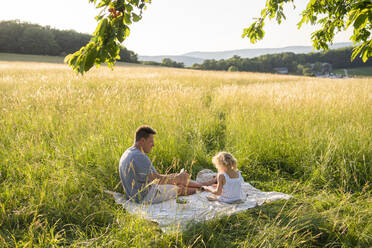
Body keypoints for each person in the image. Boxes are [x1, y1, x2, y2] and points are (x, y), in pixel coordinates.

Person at [119, 125, 214, 204]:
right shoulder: (140, 156)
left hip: (134, 193)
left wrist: (177, 177)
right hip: (144, 197)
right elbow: (158, 180)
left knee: (176, 179)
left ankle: (203, 184)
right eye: (151, 141)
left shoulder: (129, 152)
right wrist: (178, 178)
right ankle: (204, 189)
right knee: (179, 189)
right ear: (142, 141)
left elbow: (155, 178)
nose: (153, 145)